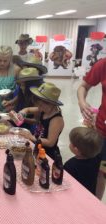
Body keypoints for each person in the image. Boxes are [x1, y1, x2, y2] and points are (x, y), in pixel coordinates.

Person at [77, 58, 106, 199]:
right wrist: (82, 102)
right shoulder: (103, 64)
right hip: (102, 130)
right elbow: (83, 86)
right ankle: (97, 206)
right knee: (100, 171)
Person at [19, 82, 64, 160]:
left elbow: (50, 142)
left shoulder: (56, 120)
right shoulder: (44, 110)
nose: (39, 108)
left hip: (47, 154)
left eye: (41, 105)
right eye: (38, 105)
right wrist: (22, 113)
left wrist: (30, 137)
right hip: (37, 146)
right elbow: (28, 109)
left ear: (51, 104)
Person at [64, 127, 103, 196]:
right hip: (91, 193)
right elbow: (100, 176)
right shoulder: (98, 158)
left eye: (71, 143)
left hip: (76, 195)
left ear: (76, 149)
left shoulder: (70, 165)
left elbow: (64, 183)